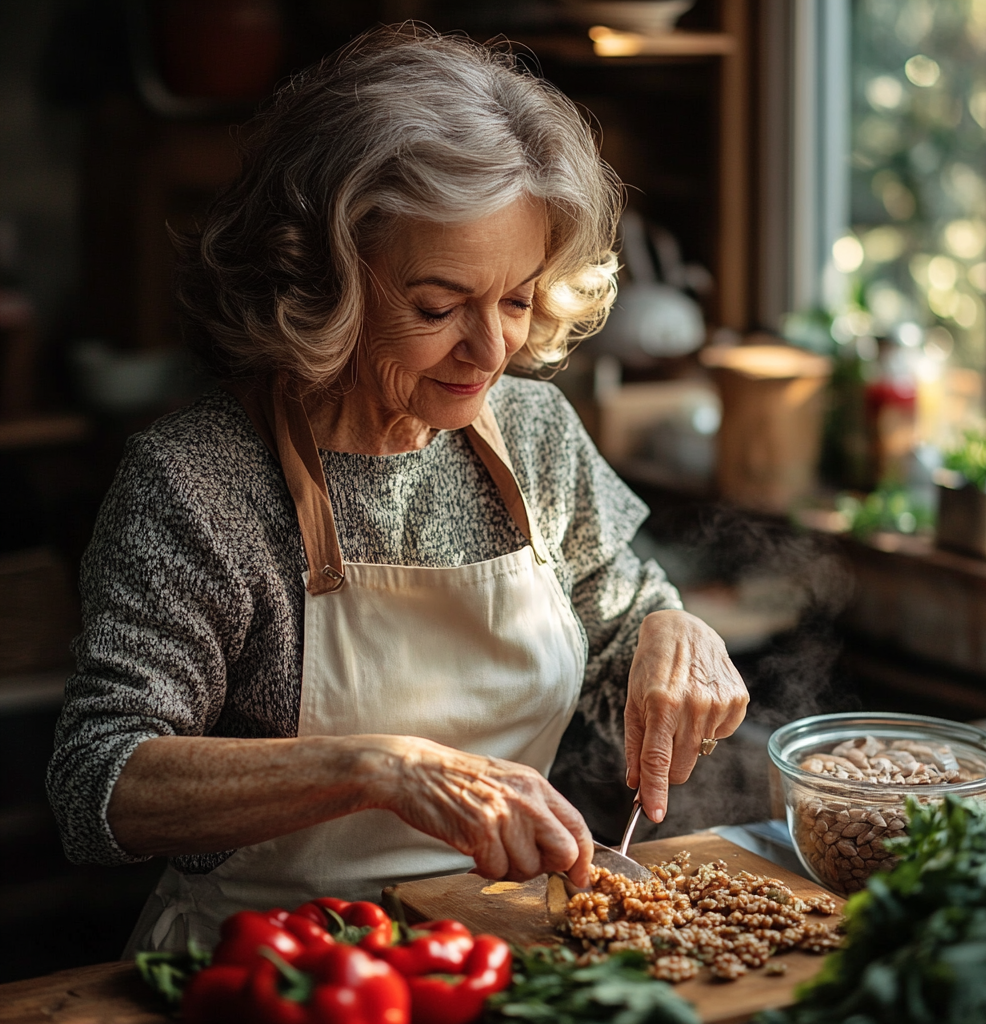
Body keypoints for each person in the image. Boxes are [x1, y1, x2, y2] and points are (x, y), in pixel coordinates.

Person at [47, 25, 748, 954]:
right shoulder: (200, 483)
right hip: (271, 971)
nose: (492, 351)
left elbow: (618, 611)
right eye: (437, 306)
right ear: (324, 280)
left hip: (489, 954)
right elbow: (99, 782)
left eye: (516, 298)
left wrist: (671, 630)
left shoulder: (533, 433)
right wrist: (377, 768)